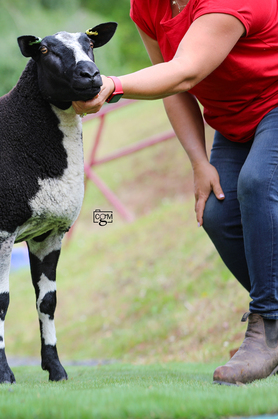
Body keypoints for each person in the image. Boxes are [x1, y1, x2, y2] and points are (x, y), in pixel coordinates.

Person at [73, 0, 278, 385]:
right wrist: (199, 162)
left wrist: (113, 85)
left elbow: (185, 73)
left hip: (275, 103)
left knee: (257, 184)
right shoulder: (148, 6)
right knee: (217, 215)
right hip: (233, 122)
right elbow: (168, 84)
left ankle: (268, 329)